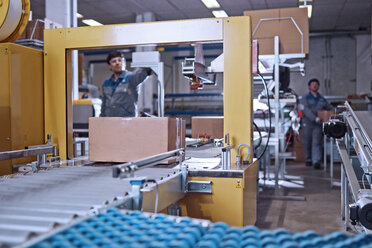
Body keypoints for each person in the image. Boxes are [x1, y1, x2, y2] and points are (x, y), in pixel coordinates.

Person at [100, 51, 152, 117]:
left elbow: (142, 73)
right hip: (110, 121)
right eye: (114, 61)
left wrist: (147, 63)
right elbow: (104, 105)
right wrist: (101, 120)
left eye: (120, 60)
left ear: (124, 63)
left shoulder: (131, 78)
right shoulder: (106, 83)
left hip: (128, 121)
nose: (117, 63)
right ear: (110, 66)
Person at [301, 78, 333, 169]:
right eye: (313, 84)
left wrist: (337, 111)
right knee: (307, 142)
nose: (314, 85)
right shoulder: (305, 98)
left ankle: (316, 161)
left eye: (316, 84)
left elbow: (329, 107)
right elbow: (305, 110)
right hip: (307, 123)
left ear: (318, 86)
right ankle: (308, 159)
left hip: (318, 125)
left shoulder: (322, 99)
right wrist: (314, 118)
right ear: (309, 86)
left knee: (317, 142)